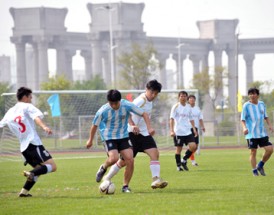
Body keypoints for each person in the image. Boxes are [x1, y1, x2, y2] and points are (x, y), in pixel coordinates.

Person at [103, 80, 168, 191]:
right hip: (132, 134)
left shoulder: (149, 101)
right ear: (146, 90)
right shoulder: (140, 100)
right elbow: (126, 112)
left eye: (156, 93)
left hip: (144, 134)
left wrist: (148, 128)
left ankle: (155, 180)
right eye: (152, 92)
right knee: (124, 162)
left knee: (155, 153)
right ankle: (107, 178)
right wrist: (132, 125)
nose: (153, 95)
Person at [86, 89, 155, 193]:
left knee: (130, 160)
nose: (114, 106)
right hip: (109, 137)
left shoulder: (126, 105)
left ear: (120, 100)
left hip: (123, 136)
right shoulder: (103, 111)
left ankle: (125, 186)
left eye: (116, 103)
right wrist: (90, 140)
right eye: (111, 103)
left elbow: (144, 113)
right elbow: (94, 125)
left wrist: (149, 128)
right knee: (114, 158)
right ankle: (103, 167)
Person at [0, 87, 57, 197]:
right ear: (25, 97)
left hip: (24, 149)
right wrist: (44, 127)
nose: (31, 99)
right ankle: (31, 173)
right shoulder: (27, 107)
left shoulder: (10, 111)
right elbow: (36, 118)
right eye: (30, 97)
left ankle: (24, 192)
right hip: (33, 143)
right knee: (52, 167)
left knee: (40, 169)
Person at [241, 87, 273, 176]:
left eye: (253, 93)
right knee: (253, 151)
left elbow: (266, 116)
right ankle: (254, 170)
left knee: (270, 149)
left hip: (262, 132)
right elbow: (242, 119)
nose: (252, 95)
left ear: (257, 95)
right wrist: (244, 128)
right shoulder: (246, 106)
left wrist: (270, 126)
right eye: (250, 94)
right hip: (251, 134)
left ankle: (260, 165)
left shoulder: (262, 104)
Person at [170, 91, 197, 171]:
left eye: (185, 96)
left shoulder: (188, 107)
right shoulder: (175, 106)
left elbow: (191, 119)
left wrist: (194, 129)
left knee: (193, 146)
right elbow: (171, 119)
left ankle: (184, 160)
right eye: (181, 96)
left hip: (187, 131)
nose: (183, 97)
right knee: (179, 149)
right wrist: (171, 130)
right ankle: (178, 166)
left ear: (187, 98)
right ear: (179, 97)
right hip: (178, 132)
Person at [186, 95, 205, 166]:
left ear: (195, 100)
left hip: (195, 128)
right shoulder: (186, 108)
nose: (192, 100)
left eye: (193, 99)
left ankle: (185, 157)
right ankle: (192, 161)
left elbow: (200, 118)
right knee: (192, 146)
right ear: (188, 100)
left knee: (196, 146)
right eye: (190, 99)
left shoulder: (197, 109)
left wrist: (203, 126)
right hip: (187, 128)